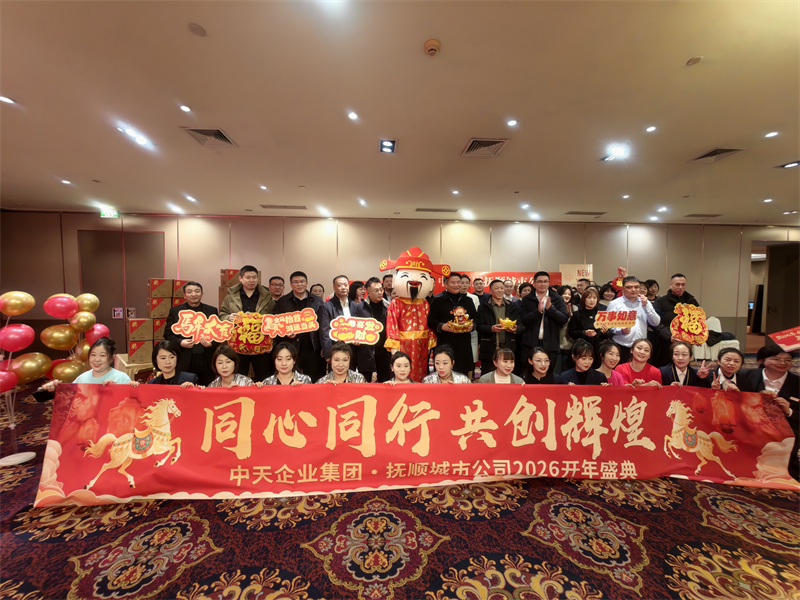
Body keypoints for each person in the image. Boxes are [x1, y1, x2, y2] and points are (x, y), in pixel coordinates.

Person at [740, 345, 799, 480]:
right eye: (776, 359)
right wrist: (755, 398)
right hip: (750, 422)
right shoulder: (745, 376)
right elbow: (734, 401)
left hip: (786, 427)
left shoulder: (797, 383)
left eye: (788, 360)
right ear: (762, 360)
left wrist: (788, 411)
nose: (783, 363)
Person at [220, 265, 275, 381]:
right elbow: (222, 314)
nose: (252, 280)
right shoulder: (231, 295)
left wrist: (271, 342)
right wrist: (228, 317)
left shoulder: (266, 295)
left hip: (261, 344)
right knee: (238, 377)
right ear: (240, 278)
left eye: (254, 277)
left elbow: (275, 319)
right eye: (248, 277)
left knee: (263, 377)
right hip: (238, 344)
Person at [273, 270, 325, 382]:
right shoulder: (283, 302)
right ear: (291, 284)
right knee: (291, 379)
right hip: (290, 347)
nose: (299, 284)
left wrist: (323, 346)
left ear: (307, 283)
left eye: (302, 281)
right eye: (295, 282)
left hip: (312, 347)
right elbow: (275, 324)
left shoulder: (317, 301)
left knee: (313, 378)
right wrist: (285, 332)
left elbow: (323, 325)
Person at [165, 280, 218, 385]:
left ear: (202, 294)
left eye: (197, 291)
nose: (193, 294)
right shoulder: (175, 311)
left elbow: (218, 334)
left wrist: (211, 344)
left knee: (207, 389)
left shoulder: (212, 311)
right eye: (189, 292)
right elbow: (167, 335)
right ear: (184, 295)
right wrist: (180, 342)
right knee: (186, 390)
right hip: (185, 359)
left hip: (206, 359)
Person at [320, 275, 372, 376]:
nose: (343, 287)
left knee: (352, 377)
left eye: (345, 285)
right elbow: (324, 332)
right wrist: (328, 354)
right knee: (336, 378)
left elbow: (360, 327)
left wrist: (359, 339)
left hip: (353, 349)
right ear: (334, 287)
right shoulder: (326, 307)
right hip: (336, 349)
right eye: (339, 285)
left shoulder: (355, 306)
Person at [519, 271, 569, 374]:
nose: (543, 284)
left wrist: (551, 309)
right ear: (534, 283)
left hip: (551, 344)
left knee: (549, 375)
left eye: (545, 281)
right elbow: (523, 320)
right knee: (528, 374)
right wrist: (537, 311)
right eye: (540, 281)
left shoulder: (557, 299)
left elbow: (564, 319)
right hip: (530, 344)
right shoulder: (527, 299)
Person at [428, 272, 478, 376]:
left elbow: (476, 318)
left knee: (462, 373)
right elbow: (430, 320)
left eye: (459, 282)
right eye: (453, 282)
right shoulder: (438, 301)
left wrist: (473, 326)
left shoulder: (468, 301)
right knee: (444, 372)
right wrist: (441, 326)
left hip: (464, 342)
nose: (456, 285)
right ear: (445, 284)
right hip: (445, 342)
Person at [605, 276, 660, 363]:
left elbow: (655, 322)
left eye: (636, 287)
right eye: (629, 287)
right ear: (623, 289)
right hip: (621, 346)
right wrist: (620, 330)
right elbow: (609, 325)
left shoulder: (645, 302)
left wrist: (646, 306)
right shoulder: (614, 304)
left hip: (641, 347)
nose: (633, 290)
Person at [42, 337, 131, 389]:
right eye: (93, 355)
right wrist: (55, 388)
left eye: (102, 355)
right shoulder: (82, 378)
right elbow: (70, 397)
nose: (96, 359)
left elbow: (131, 404)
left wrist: (115, 390)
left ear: (111, 359)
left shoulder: (121, 378)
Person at [652, 274, 700, 366]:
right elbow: (654, 322)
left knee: (683, 367)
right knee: (665, 369)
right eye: (677, 284)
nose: (680, 287)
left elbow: (698, 321)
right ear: (671, 285)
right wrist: (669, 336)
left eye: (683, 284)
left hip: (686, 343)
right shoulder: (660, 301)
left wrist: (697, 336)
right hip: (665, 342)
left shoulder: (691, 301)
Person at [477, 279, 521, 374]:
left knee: (507, 375)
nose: (500, 290)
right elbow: (478, 326)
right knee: (489, 376)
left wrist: (515, 329)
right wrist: (490, 328)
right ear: (490, 291)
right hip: (489, 347)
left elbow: (521, 325)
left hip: (508, 346)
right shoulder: (483, 307)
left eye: (502, 288)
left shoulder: (512, 306)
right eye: (497, 288)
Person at [568, 287, 611, 367]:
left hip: (598, 350)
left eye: (594, 298)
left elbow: (608, 335)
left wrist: (605, 332)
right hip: (582, 349)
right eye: (589, 298)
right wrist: (584, 333)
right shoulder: (577, 314)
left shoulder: (602, 315)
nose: (592, 300)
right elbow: (571, 332)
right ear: (584, 299)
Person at [361, 277, 390, 383]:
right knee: (365, 380)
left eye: (381, 290)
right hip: (366, 351)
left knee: (385, 380)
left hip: (384, 350)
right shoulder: (360, 307)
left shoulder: (388, 307)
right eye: (376, 290)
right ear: (368, 292)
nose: (380, 292)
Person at [460, 273, 481, 366]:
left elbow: (476, 314)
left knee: (472, 356)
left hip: (471, 329)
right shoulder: (455, 297)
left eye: (466, 283)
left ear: (469, 284)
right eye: (462, 283)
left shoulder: (474, 297)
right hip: (458, 328)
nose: (464, 285)